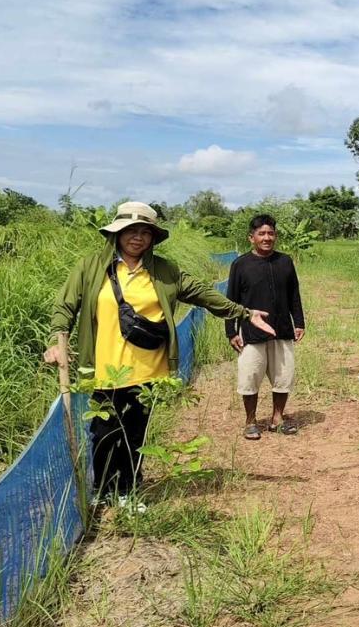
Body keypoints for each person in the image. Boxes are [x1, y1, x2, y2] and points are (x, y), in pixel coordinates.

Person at [44, 201, 274, 506]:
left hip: (148, 370)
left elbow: (203, 294)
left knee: (135, 435)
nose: (137, 237)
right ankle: (102, 491)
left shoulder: (165, 271)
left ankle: (128, 490)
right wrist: (56, 340)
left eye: (145, 231)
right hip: (104, 369)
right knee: (103, 433)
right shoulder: (91, 267)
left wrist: (242, 313)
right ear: (117, 233)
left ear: (153, 237)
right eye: (130, 230)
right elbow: (65, 305)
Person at [225, 214, 305, 440]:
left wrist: (298, 322)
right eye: (262, 234)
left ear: (275, 236)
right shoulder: (240, 264)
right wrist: (231, 331)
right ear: (252, 238)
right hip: (251, 333)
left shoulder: (285, 261)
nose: (267, 238)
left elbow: (294, 295)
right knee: (250, 377)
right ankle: (250, 421)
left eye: (271, 233)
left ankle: (277, 418)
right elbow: (230, 301)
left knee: (283, 376)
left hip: (282, 330)